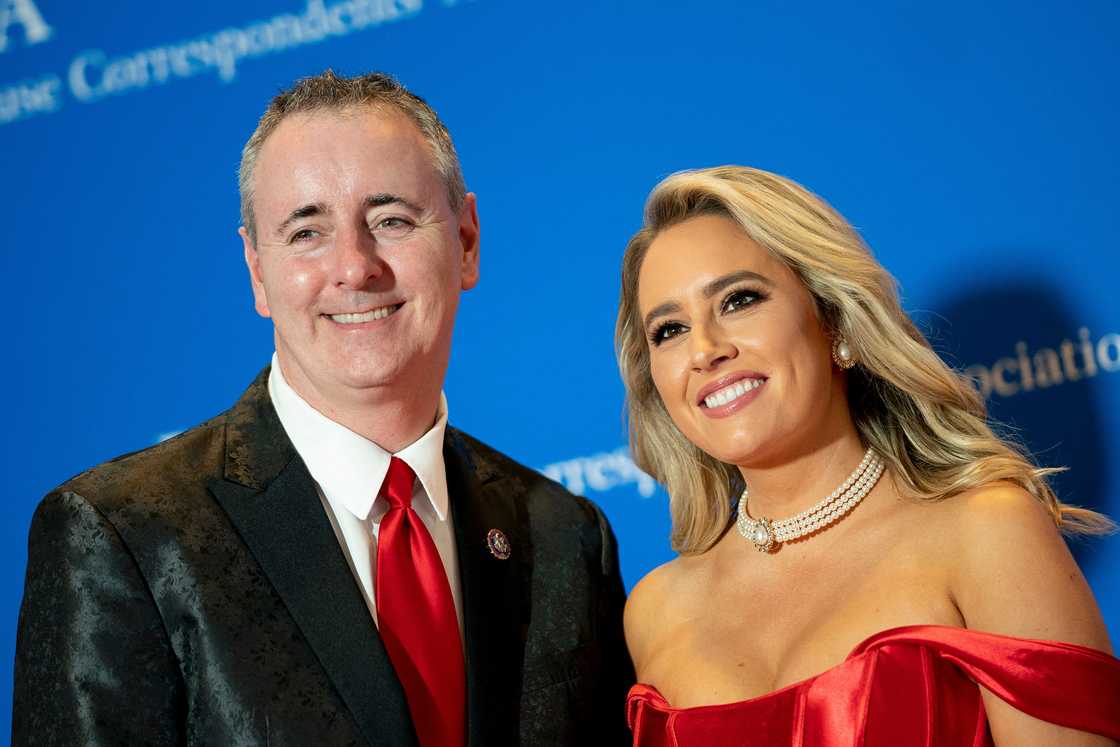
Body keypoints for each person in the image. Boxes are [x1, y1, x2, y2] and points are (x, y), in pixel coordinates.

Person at [13, 70, 633, 746]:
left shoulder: (567, 538)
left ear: (466, 241)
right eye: (307, 232)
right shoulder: (125, 535)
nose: (355, 266)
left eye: (391, 219)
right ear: (257, 271)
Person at [616, 166, 1120, 746]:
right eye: (669, 330)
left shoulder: (985, 531)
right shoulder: (655, 610)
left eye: (738, 300)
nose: (705, 349)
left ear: (835, 322)